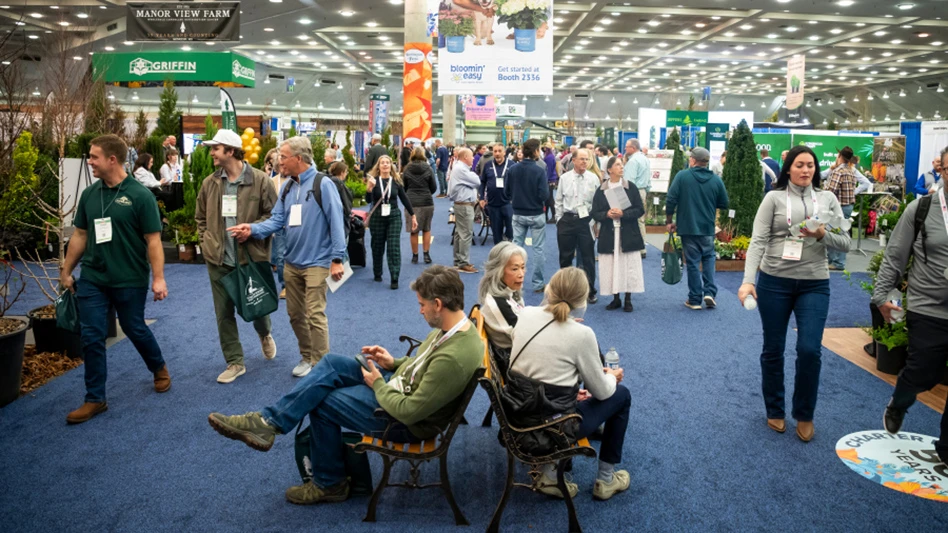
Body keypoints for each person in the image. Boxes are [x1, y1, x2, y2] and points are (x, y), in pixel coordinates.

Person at [207, 265, 485, 505]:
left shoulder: (454, 355)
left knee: (322, 402)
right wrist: (394, 363)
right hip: (398, 386)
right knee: (330, 364)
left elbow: (411, 411)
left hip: (403, 420)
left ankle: (330, 484)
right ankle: (268, 423)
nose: (420, 310)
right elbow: (425, 367)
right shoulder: (454, 328)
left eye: (422, 304)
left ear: (438, 304)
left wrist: (378, 385)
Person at [738, 145, 851, 442]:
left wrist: (822, 234)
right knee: (773, 349)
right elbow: (758, 241)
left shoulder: (827, 199)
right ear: (788, 168)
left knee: (810, 350)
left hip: (815, 283)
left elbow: (846, 243)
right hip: (774, 282)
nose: (805, 170)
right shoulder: (773, 198)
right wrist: (748, 280)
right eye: (799, 165)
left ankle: (805, 413)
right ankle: (774, 409)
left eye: (810, 165)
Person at [59, 134, 170, 424]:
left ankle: (158, 366)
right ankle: (95, 398)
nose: (90, 161)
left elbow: (154, 241)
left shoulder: (140, 195)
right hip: (94, 277)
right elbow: (80, 235)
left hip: (129, 277)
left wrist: (158, 278)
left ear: (112, 159)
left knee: (134, 327)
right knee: (92, 335)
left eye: (94, 156)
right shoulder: (89, 194)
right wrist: (67, 269)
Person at [227, 137, 346, 378]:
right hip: (292, 262)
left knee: (315, 314)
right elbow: (277, 220)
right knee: (294, 315)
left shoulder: (323, 184)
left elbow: (337, 221)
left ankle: (322, 366)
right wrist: (252, 229)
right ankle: (307, 356)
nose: (278, 161)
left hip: (318, 262)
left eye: (283, 156)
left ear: (298, 159)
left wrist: (337, 258)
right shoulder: (288, 186)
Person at [508, 267, 631, 501]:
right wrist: (611, 377)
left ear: (549, 289)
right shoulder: (581, 334)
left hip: (518, 415)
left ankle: (551, 472)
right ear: (583, 300)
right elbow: (602, 392)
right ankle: (606, 479)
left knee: (579, 386)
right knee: (621, 396)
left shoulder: (526, 314)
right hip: (554, 428)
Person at [877, 148, 948, 466]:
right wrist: (881, 296)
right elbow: (895, 255)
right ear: (942, 170)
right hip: (928, 305)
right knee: (923, 370)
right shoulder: (923, 209)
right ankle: (899, 403)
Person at [196, 129, 279, 384]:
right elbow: (200, 218)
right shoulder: (210, 183)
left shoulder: (261, 180)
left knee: (256, 306)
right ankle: (235, 362)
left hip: (251, 256)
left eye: (216, 148)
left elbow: (275, 216)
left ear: (230, 151)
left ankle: (264, 333)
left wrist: (252, 230)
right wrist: (206, 241)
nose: (211, 153)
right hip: (218, 260)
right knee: (223, 313)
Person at [665, 147, 730, 310]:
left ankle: (694, 299)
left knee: (693, 262)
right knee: (708, 258)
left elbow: (671, 199)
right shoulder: (716, 180)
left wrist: (669, 220)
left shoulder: (682, 176)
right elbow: (724, 203)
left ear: (693, 160)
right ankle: (709, 292)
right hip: (707, 227)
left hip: (687, 226)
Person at [592, 157, 645, 312]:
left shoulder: (631, 187)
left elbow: (639, 209)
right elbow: (595, 212)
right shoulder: (601, 189)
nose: (621, 167)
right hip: (609, 232)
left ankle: (628, 299)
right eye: (617, 165)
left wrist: (623, 213)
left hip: (628, 232)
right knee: (611, 265)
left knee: (628, 265)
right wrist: (607, 214)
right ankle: (615, 298)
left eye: (622, 165)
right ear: (609, 170)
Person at [555, 148, 600, 304]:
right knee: (565, 258)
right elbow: (559, 200)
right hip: (567, 220)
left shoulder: (594, 178)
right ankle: (565, 291)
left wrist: (596, 223)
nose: (584, 162)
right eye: (581, 159)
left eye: (587, 159)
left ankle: (589, 291)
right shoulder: (565, 178)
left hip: (586, 220)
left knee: (588, 258)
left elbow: (597, 203)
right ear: (573, 160)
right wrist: (559, 220)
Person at [365, 155, 416, 289]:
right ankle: (377, 271)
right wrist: (369, 189)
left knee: (393, 246)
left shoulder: (396, 182)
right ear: (379, 166)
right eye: (383, 163)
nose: (385, 165)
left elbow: (404, 199)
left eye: (388, 163)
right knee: (377, 245)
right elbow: (368, 200)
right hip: (377, 215)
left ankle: (394, 277)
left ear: (391, 166)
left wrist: (413, 215)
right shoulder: (374, 180)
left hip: (393, 215)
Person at [507, 139, 549, 293]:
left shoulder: (512, 169)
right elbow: (544, 194)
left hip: (518, 213)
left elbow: (506, 192)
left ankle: (514, 281)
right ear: (536, 151)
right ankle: (538, 283)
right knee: (538, 249)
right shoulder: (539, 171)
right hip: (536, 213)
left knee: (516, 248)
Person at [478, 242, 527, 350]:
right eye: (515, 269)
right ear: (498, 272)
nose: (521, 274)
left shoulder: (510, 291)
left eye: (523, 267)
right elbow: (526, 338)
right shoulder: (497, 303)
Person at [824, 147, 857, 271]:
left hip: (839, 207)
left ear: (839, 155)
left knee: (833, 234)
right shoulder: (850, 171)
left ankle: (836, 262)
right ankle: (839, 261)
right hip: (848, 206)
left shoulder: (838, 171)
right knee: (843, 233)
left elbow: (830, 191)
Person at [402, 147, 437, 265]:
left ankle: (415, 256)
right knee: (427, 228)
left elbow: (404, 186)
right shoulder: (428, 168)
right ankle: (426, 255)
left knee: (414, 230)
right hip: (427, 202)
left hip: (411, 203)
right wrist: (426, 193)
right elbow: (434, 187)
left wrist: (409, 194)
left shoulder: (407, 168)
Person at [448, 147, 480, 274]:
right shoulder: (461, 169)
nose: (473, 158)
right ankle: (463, 263)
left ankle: (458, 261)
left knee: (459, 234)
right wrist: (472, 179)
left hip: (461, 205)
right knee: (466, 234)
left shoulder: (460, 168)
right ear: (465, 157)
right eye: (472, 156)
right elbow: (477, 181)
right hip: (464, 206)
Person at [265, 148, 289, 299]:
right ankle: (285, 285)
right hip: (279, 226)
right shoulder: (272, 182)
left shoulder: (296, 180)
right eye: (279, 165)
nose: (282, 167)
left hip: (297, 226)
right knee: (280, 257)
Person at [480, 143, 514, 245]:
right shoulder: (488, 165)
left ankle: (509, 252)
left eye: (500, 151)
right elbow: (482, 182)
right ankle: (498, 256)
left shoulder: (512, 165)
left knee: (510, 230)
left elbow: (518, 183)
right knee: (496, 232)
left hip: (508, 203)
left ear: (504, 152)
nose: (497, 153)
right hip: (492, 204)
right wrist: (481, 197)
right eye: (495, 151)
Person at [623, 139, 651, 258]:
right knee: (641, 220)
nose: (625, 149)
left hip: (634, 192)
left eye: (627, 146)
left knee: (631, 219)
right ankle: (642, 247)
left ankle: (636, 247)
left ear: (633, 148)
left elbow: (629, 181)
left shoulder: (633, 161)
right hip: (643, 190)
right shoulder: (645, 159)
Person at [542, 143, 558, 223]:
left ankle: (554, 215)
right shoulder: (550, 156)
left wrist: (546, 179)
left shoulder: (548, 157)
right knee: (548, 199)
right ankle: (547, 216)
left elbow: (548, 169)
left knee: (550, 199)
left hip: (549, 180)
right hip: (551, 179)